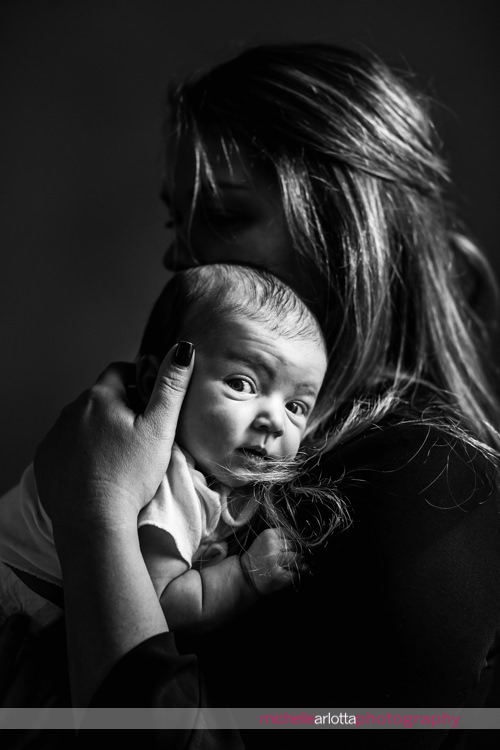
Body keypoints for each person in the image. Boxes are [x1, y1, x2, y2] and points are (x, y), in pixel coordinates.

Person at [5, 41, 500, 750]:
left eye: (226, 214)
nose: (180, 256)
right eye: (179, 220)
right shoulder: (217, 455)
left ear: (349, 229)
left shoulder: (432, 486)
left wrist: (96, 518)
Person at [0, 263, 344, 634]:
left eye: (296, 407)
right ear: (157, 379)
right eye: (242, 384)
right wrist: (245, 577)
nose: (275, 421)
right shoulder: (168, 481)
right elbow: (155, 607)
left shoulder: (216, 470)